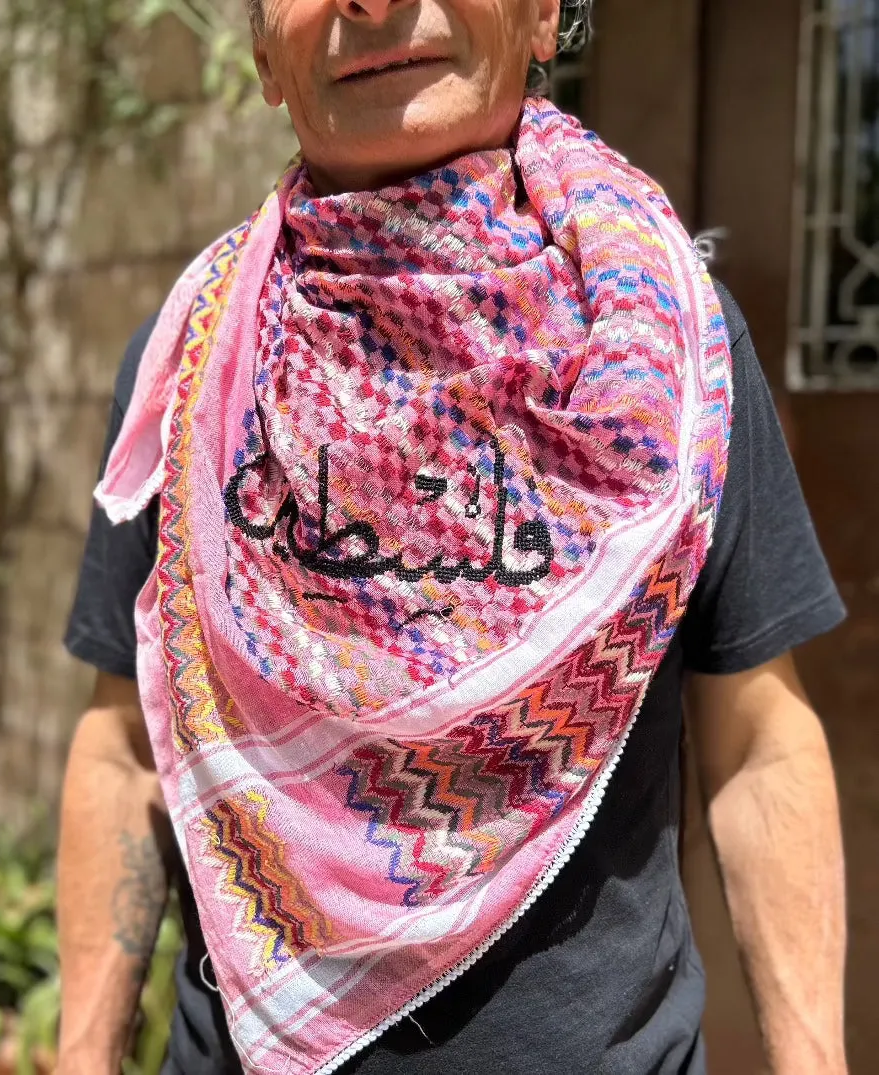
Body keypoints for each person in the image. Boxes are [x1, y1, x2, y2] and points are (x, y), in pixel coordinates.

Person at [56, 1, 849, 1073]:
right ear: (259, 54)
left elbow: (758, 744)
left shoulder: (667, 351)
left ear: (541, 15)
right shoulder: (197, 361)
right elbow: (123, 752)